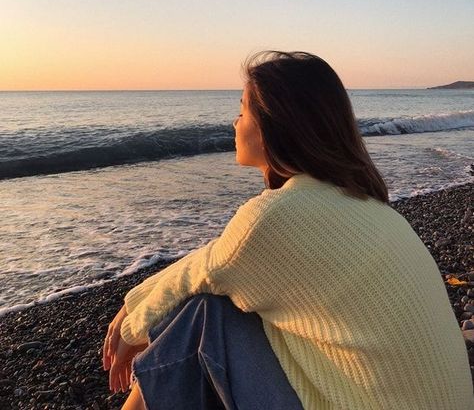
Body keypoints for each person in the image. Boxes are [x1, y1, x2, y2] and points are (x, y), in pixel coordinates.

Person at [102, 51, 473, 409]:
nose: (234, 123)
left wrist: (132, 327)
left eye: (242, 112)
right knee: (224, 298)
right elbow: (215, 259)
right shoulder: (365, 205)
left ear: (273, 125)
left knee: (204, 312)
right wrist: (134, 304)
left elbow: (207, 272)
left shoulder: (276, 217)